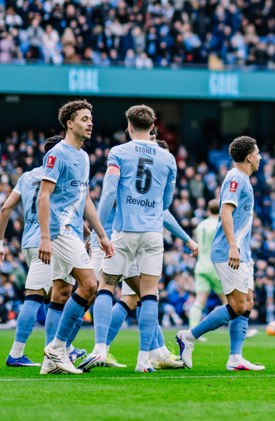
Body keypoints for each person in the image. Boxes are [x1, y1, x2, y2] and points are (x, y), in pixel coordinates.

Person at [81, 105, 195, 373]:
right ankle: (144, 360)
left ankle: (100, 349)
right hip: (154, 233)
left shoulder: (118, 152)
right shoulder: (168, 158)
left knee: (107, 286)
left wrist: (99, 232)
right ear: (153, 128)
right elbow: (166, 201)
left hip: (125, 231)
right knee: (149, 294)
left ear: (130, 126)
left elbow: (109, 194)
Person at [37, 99, 115, 375]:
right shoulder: (57, 154)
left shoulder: (83, 156)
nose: (90, 122)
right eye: (84, 118)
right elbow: (43, 196)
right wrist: (45, 237)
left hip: (72, 229)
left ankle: (49, 363)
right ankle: (58, 348)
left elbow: (85, 201)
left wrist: (101, 235)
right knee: (90, 284)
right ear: (70, 123)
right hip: (60, 231)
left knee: (61, 291)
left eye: (90, 118)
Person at [176, 136, 265, 372]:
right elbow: (225, 213)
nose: (260, 157)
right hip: (228, 251)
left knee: (247, 303)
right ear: (248, 156)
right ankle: (188, 336)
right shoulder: (235, 177)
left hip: (241, 251)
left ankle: (236, 357)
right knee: (237, 306)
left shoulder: (243, 179)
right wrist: (233, 246)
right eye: (257, 153)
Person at [0, 135, 64, 368]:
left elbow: (5, 209)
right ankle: (16, 353)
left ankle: (57, 349)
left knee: (58, 294)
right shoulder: (59, 174)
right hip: (47, 242)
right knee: (36, 296)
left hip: (28, 243)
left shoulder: (26, 176)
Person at [190, 199, 223, 324]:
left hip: (201, 265)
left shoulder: (200, 225)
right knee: (229, 301)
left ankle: (191, 331)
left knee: (199, 301)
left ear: (208, 210)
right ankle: (238, 331)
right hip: (215, 267)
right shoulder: (219, 225)